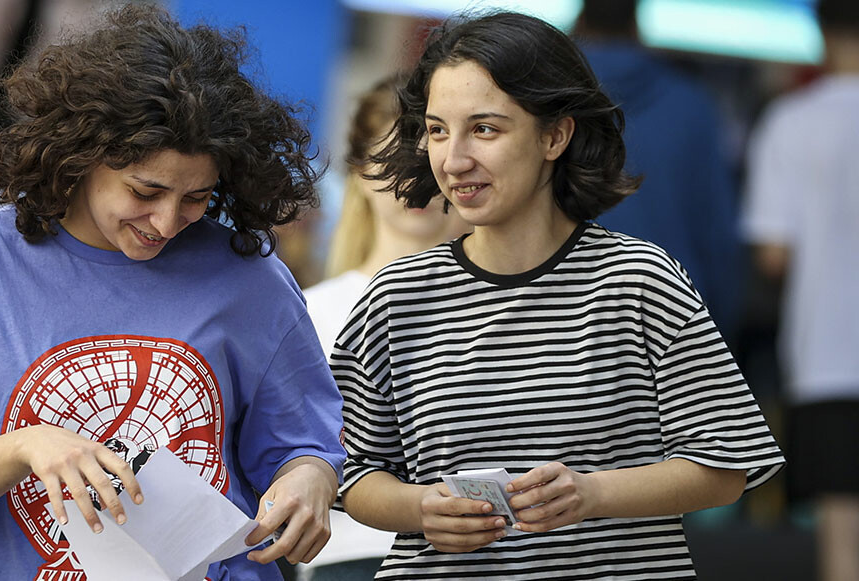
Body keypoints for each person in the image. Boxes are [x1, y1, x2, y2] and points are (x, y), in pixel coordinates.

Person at [0, 5, 345, 581]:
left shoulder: (249, 278)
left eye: (195, 198)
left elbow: (305, 449)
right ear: (81, 154)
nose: (166, 221)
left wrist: (308, 483)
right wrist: (25, 447)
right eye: (146, 190)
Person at [330, 10, 784, 579]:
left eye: (485, 129)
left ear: (555, 135)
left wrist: (592, 494)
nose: (453, 159)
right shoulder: (397, 296)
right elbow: (350, 473)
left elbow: (726, 466)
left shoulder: (641, 280)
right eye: (438, 129)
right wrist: (419, 508)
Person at [300, 77, 470, 580]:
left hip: (482, 558)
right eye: (393, 159)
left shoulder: (506, 306)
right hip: (348, 556)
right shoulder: (308, 313)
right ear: (359, 170)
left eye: (427, 160)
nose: (413, 181)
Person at [741, 2, 859, 579]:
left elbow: (773, 253)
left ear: (822, 31)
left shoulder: (792, 120)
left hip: (830, 351)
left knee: (845, 542)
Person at [573, 0, 744, 343]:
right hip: (675, 318)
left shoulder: (545, 102)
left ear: (579, 23)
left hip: (568, 316)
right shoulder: (692, 104)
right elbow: (718, 236)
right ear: (636, 26)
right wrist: (723, 326)